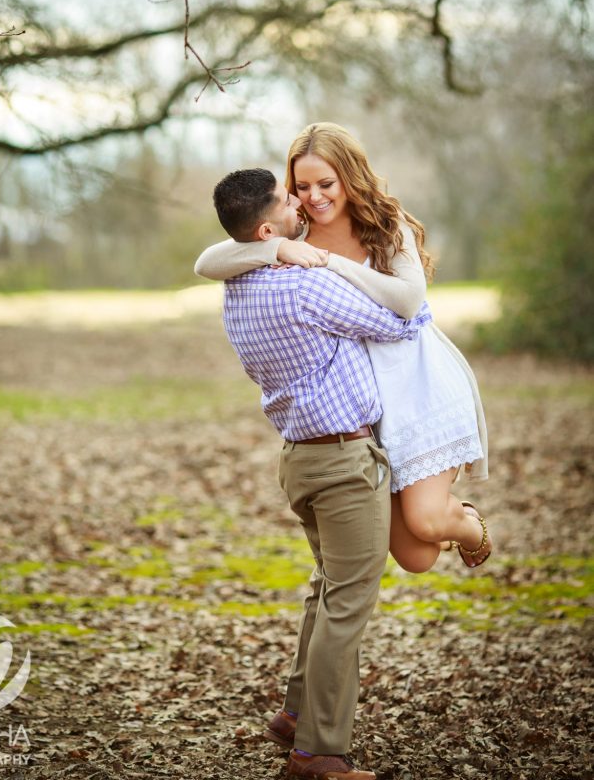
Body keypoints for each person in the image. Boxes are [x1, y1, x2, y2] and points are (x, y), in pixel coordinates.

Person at [204, 168, 432, 780]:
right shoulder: (299, 285)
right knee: (347, 605)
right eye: (288, 198)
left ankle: (294, 715)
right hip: (343, 464)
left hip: (301, 460)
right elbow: (403, 321)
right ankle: (318, 753)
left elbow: (216, 259)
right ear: (266, 226)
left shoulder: (238, 283)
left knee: (327, 588)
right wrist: (401, 248)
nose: (300, 200)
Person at [195, 123, 492, 574]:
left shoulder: (386, 224)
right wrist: (275, 248)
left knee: (428, 521)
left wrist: (332, 263)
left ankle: (469, 525)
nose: (314, 197)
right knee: (416, 557)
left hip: (419, 385)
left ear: (349, 178)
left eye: (326, 184)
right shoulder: (295, 234)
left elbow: (409, 301)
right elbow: (207, 263)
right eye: (302, 186)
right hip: (363, 409)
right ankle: (446, 519)